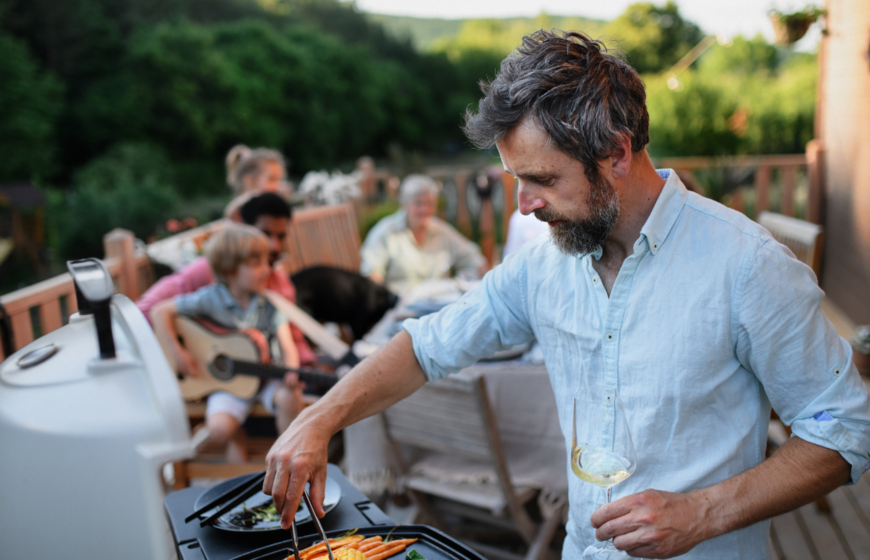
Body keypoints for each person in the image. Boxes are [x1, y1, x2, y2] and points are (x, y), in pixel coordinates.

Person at [260, 30, 870, 559]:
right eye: (515, 179)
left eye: (541, 179)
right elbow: (426, 346)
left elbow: (846, 428)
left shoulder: (748, 265)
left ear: (616, 153)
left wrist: (705, 512)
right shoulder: (545, 265)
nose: (524, 205)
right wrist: (319, 418)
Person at [151, 224, 304, 462]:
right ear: (230, 271)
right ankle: (236, 436)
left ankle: (288, 456)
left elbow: (286, 345)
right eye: (256, 265)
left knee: (289, 397)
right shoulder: (210, 298)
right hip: (227, 384)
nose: (266, 271)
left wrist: (291, 370)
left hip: (266, 378)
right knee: (219, 431)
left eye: (266, 262)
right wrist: (178, 352)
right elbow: (160, 311)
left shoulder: (271, 303)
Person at [137, 192, 316, 365]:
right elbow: (143, 312)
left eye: (281, 236)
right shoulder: (215, 269)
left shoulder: (281, 284)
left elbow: (294, 339)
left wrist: (309, 366)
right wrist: (193, 345)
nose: (274, 246)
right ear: (244, 227)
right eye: (265, 234)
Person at [360, 174, 487, 293]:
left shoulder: (441, 230)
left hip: (438, 304)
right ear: (404, 203)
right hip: (400, 305)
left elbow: (473, 258)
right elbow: (372, 275)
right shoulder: (386, 232)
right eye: (418, 203)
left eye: (430, 204)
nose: (425, 210)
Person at [224, 145, 293, 221]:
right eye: (271, 179)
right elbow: (230, 213)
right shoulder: (240, 213)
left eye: (279, 180)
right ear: (249, 181)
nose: (277, 186)